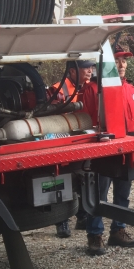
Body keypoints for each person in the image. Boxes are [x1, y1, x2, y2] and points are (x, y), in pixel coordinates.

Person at [81, 45, 134, 255]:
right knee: (99, 192)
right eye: (117, 60)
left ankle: (118, 230)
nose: (122, 65)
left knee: (123, 190)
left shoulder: (131, 88)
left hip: (127, 147)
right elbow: (87, 120)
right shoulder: (93, 89)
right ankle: (95, 234)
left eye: (124, 61)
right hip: (102, 147)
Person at [52, 59, 95, 238]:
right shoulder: (57, 89)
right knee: (60, 178)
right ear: (71, 71)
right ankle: (61, 222)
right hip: (62, 139)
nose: (89, 71)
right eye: (85, 67)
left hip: (82, 137)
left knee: (83, 177)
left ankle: (82, 216)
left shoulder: (89, 87)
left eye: (91, 67)